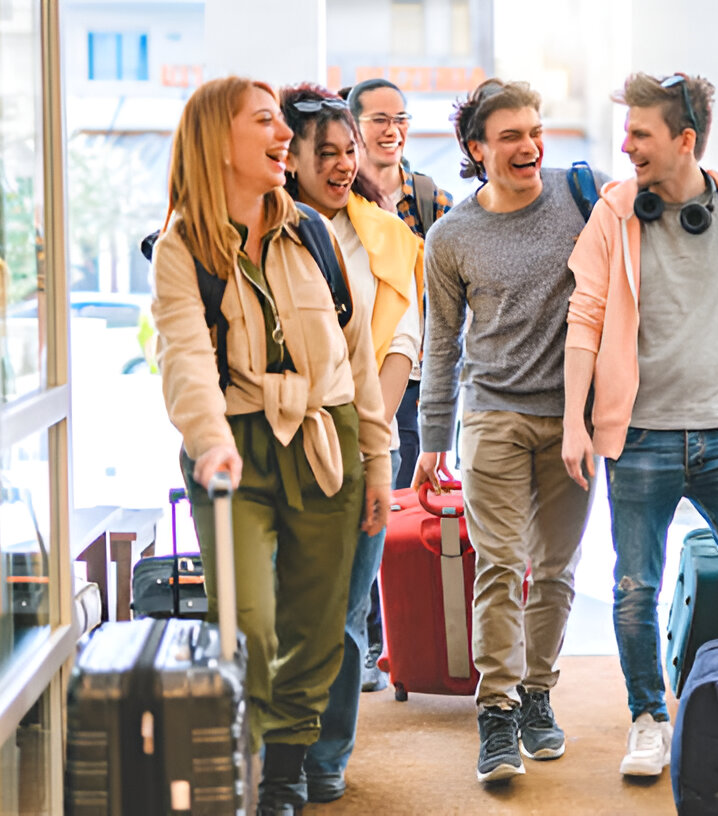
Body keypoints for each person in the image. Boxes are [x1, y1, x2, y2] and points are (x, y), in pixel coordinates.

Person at [149, 76, 391, 816]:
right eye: (264, 122)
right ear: (217, 141)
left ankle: (284, 770)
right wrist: (211, 442)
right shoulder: (183, 245)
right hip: (234, 448)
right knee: (247, 621)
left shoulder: (313, 232)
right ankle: (251, 754)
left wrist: (378, 461)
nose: (283, 134)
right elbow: (185, 358)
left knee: (317, 624)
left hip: (326, 437)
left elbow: (355, 357)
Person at [562, 71, 718, 779]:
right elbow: (586, 317)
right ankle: (648, 720)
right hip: (639, 436)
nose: (625, 145)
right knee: (636, 587)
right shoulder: (614, 212)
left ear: (685, 139)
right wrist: (576, 421)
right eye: (624, 131)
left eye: (640, 133)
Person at [412, 78, 604, 784]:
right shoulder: (451, 237)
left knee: (554, 569)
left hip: (572, 420)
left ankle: (537, 695)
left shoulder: (584, 198)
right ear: (476, 149)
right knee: (498, 566)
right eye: (510, 136)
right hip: (491, 413)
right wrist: (433, 437)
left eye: (534, 131)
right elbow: (441, 344)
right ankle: (494, 710)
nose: (529, 146)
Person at [278, 84, 422, 807]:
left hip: (366, 440)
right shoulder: (267, 229)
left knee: (343, 611)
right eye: (325, 152)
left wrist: (373, 431)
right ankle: (280, 752)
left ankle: (325, 756)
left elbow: (403, 338)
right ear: (289, 157)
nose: (341, 164)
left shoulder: (387, 233)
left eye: (348, 152)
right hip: (282, 437)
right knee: (281, 608)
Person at [343, 77, 454, 692]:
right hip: (354, 375)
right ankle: (361, 639)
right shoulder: (336, 199)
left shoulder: (431, 200)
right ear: (353, 127)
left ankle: (394, 641)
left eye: (402, 119)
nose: (393, 130)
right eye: (380, 119)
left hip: (415, 379)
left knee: (404, 508)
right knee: (359, 506)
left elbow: (446, 300)